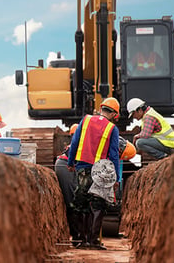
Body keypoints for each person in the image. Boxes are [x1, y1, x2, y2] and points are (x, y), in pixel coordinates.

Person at [67, 97, 121, 250]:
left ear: (101, 108)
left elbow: (75, 143)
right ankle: (94, 241)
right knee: (98, 205)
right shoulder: (112, 128)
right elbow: (114, 154)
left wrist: (71, 162)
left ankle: (80, 240)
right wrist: (116, 177)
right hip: (101, 171)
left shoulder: (86, 120)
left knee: (81, 203)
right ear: (114, 114)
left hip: (83, 167)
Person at [54, 123, 79, 246]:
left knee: (75, 199)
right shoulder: (76, 145)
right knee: (71, 201)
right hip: (65, 166)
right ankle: (76, 237)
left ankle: (78, 236)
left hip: (68, 166)